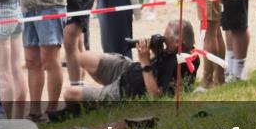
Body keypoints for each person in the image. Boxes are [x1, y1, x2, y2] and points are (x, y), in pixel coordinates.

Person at [61, 20, 195, 103]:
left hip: (125, 89)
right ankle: (98, 93)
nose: (164, 40)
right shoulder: (181, 53)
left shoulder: (179, 63)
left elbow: (155, 96)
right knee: (83, 57)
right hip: (128, 68)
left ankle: (91, 103)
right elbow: (159, 67)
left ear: (178, 42)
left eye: (167, 38)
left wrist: (145, 62)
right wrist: (157, 52)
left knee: (69, 92)